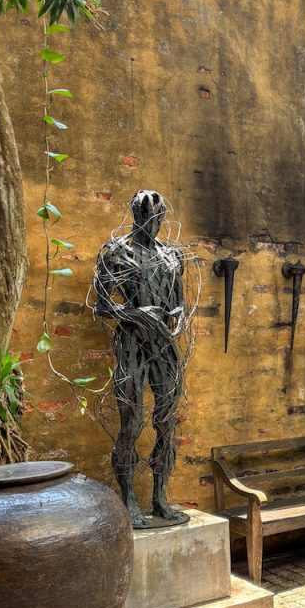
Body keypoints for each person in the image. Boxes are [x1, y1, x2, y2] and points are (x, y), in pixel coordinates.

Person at [93, 189, 189, 527]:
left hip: (164, 345)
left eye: (156, 217)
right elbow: (101, 306)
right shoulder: (117, 253)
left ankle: (160, 498)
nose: (151, 222)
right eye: (145, 216)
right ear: (135, 215)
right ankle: (129, 500)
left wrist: (178, 318)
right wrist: (135, 313)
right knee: (131, 423)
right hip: (132, 343)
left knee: (166, 423)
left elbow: (180, 303)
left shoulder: (172, 256)